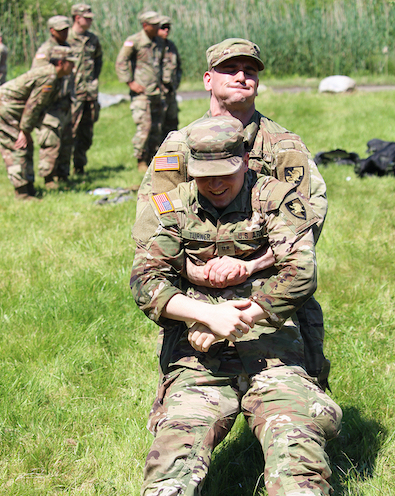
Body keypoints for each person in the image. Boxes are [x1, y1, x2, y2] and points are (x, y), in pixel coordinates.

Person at [131, 116, 342, 496]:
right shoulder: (170, 207)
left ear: (245, 160)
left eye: (225, 173)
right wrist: (207, 315)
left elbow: (301, 272)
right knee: (172, 462)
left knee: (298, 453)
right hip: (198, 359)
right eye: (203, 175)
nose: (214, 185)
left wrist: (241, 316)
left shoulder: (277, 197)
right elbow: (145, 280)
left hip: (274, 354)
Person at [136, 38, 331, 390]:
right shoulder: (179, 147)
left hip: (271, 282)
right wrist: (193, 269)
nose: (241, 76)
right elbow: (155, 222)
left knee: (304, 386)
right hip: (198, 289)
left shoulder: (283, 146)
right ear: (208, 79)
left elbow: (308, 220)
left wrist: (250, 265)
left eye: (250, 71)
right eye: (229, 69)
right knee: (191, 387)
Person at [0, 46, 76, 200]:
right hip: (4, 106)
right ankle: (22, 193)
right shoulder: (49, 77)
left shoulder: (55, 77)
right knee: (17, 145)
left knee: (27, 145)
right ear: (60, 62)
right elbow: (34, 105)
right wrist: (24, 131)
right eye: (70, 62)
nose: (73, 66)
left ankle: (29, 188)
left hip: (13, 108)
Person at [115, 11, 164, 172]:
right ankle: (141, 159)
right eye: (154, 24)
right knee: (145, 126)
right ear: (145, 25)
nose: (158, 27)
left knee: (157, 127)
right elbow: (121, 61)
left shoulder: (159, 41)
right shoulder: (134, 41)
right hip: (141, 92)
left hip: (156, 91)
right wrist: (130, 82)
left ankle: (154, 157)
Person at [32, 15, 74, 188]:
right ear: (52, 31)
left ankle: (63, 175)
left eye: (66, 29)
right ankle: (48, 178)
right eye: (61, 30)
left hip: (65, 102)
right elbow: (39, 77)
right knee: (50, 140)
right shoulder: (45, 51)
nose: (65, 32)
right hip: (51, 104)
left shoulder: (67, 47)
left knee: (66, 140)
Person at [68, 3, 102, 175]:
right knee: (69, 131)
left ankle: (79, 166)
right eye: (86, 18)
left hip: (89, 93)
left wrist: (93, 81)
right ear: (77, 18)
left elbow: (98, 61)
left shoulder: (92, 39)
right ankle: (62, 169)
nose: (89, 21)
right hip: (72, 94)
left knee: (86, 132)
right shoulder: (66, 38)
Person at [158, 16, 182, 140]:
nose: (166, 30)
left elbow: (178, 66)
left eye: (168, 28)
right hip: (157, 93)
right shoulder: (152, 47)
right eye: (163, 27)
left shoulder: (171, 46)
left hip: (170, 92)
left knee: (172, 124)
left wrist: (176, 83)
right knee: (157, 126)